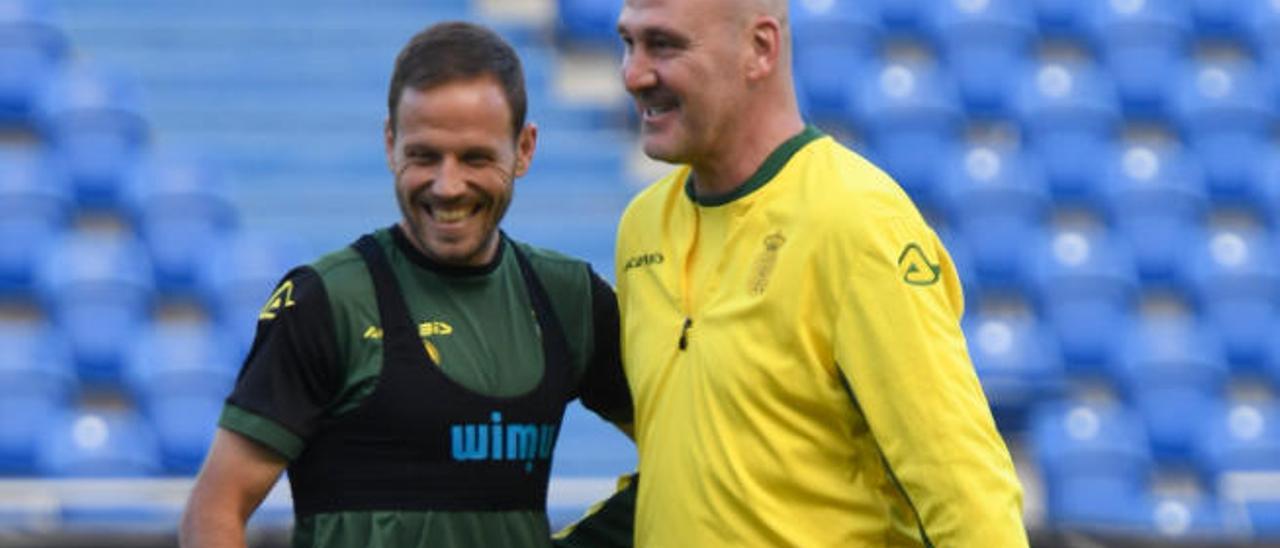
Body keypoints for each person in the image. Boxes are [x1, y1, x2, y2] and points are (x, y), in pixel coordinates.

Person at [180, 21, 632, 548]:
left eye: (475, 157)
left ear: (525, 149)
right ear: (391, 144)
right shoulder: (326, 300)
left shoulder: (568, 298)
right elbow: (215, 509)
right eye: (424, 155)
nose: (447, 186)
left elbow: (692, 449)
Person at [606, 0, 1029, 545]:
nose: (633, 74)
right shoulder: (642, 227)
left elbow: (965, 492)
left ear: (759, 48)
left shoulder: (856, 220)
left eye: (663, 45)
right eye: (627, 43)